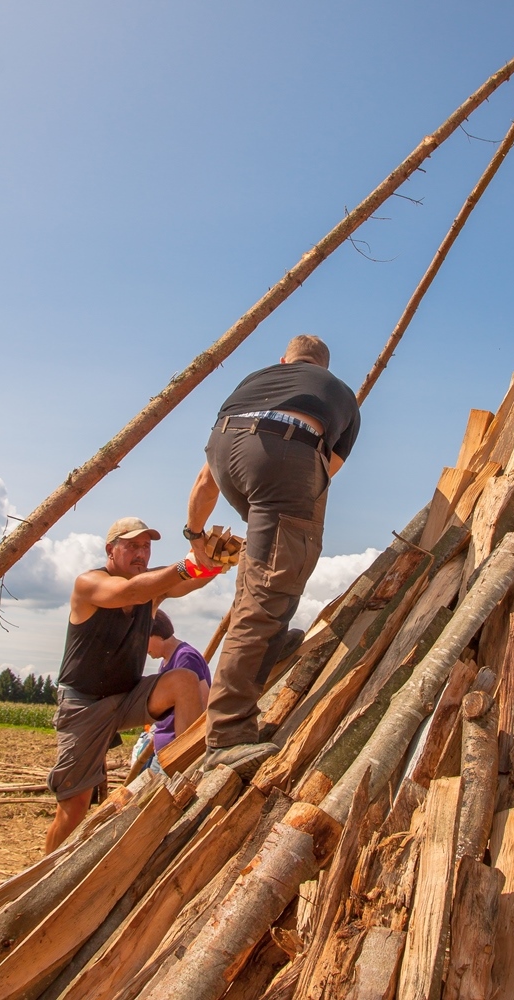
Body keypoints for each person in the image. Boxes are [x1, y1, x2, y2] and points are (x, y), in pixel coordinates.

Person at [184, 334, 360, 779]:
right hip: (287, 452)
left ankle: (264, 643)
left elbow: (207, 478)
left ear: (285, 360)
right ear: (324, 367)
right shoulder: (340, 394)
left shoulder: (257, 379)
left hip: (225, 450)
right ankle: (227, 733)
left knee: (264, 562)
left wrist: (196, 535)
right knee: (279, 570)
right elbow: (323, 471)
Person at [45, 517, 222, 852]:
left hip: (127, 695)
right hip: (85, 704)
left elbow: (189, 581)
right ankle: (39, 883)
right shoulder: (90, 583)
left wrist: (217, 562)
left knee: (184, 681)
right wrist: (191, 561)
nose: (141, 553)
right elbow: (131, 591)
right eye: (132, 546)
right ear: (111, 549)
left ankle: (186, 776)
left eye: (146, 546)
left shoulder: (150, 590)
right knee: (74, 806)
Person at [148, 608, 211, 762]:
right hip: (165, 751)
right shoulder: (165, 662)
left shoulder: (185, 658)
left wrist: (183, 750)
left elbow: (203, 701)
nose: (144, 649)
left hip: (176, 753)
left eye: (144, 640)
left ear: (157, 635)